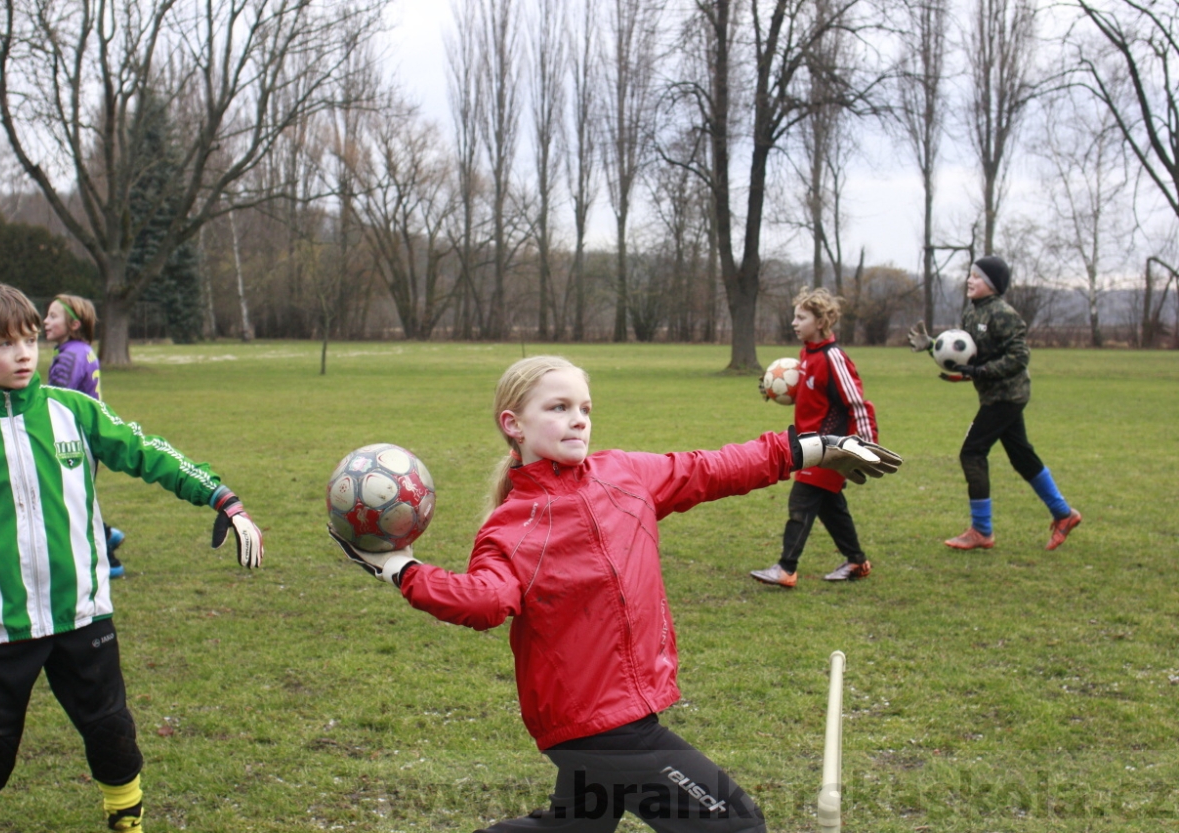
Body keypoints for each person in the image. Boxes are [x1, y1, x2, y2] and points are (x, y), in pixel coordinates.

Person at [327, 355, 902, 832]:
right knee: (735, 824)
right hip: (598, 725)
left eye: (584, 408)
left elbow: (714, 467)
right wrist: (402, 569)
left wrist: (813, 447)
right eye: (558, 408)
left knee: (575, 827)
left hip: (616, 711)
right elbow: (484, 600)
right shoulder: (512, 526)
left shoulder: (624, 475)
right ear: (514, 424)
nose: (578, 420)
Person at [0, 283, 264, 833]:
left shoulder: (73, 412)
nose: (22, 355)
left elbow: (148, 452)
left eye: (29, 341)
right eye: (3, 345)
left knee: (109, 728)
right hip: (1, 628)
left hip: (84, 615)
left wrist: (220, 496)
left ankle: (125, 817)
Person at [908, 255, 1081, 551]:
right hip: (995, 396)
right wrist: (932, 345)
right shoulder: (971, 314)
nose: (969, 280)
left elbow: (1019, 357)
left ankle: (981, 530)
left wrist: (981, 372)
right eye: (970, 275)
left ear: (992, 284)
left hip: (1007, 396)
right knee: (1021, 456)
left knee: (972, 453)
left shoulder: (1004, 314)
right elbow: (967, 355)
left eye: (976, 276)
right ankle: (1064, 514)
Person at [751, 288, 880, 588]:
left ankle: (786, 568)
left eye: (801, 317)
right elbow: (815, 397)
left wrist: (866, 445)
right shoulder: (806, 354)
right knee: (829, 506)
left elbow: (856, 403)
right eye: (794, 317)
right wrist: (776, 391)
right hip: (811, 443)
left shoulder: (833, 357)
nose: (794, 323)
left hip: (830, 446)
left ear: (820, 321)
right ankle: (857, 561)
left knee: (802, 500)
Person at [44, 294, 127, 578]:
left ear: (75, 323)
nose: (46, 321)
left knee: (70, 499)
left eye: (53, 316)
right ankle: (107, 534)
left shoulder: (69, 356)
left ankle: (107, 553)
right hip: (87, 439)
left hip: (73, 440)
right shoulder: (83, 350)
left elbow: (56, 400)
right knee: (75, 496)